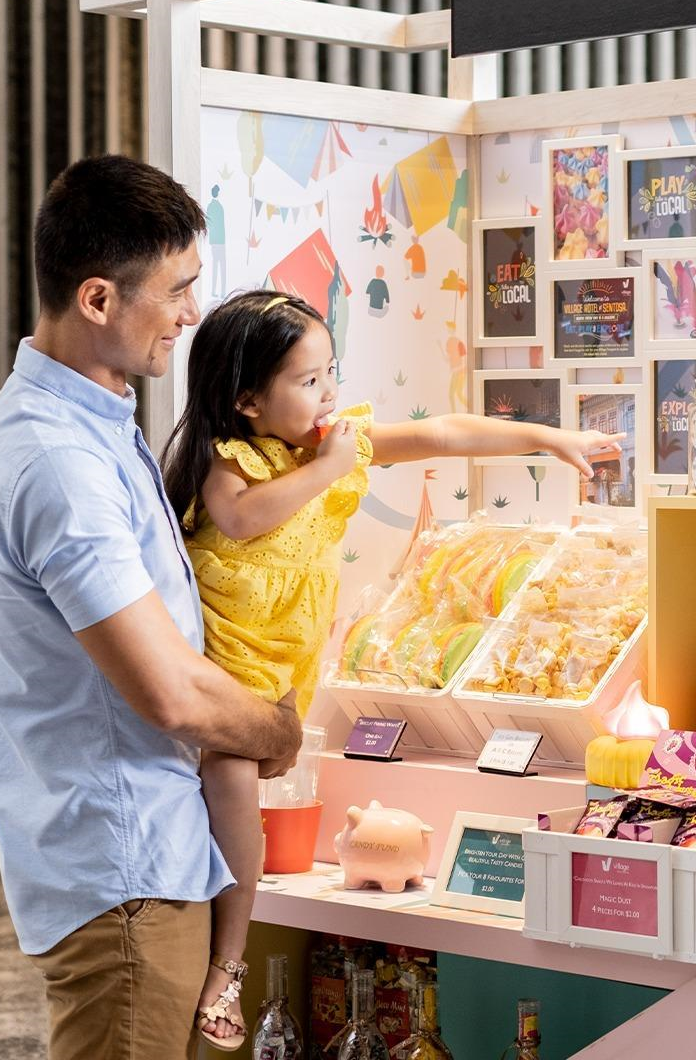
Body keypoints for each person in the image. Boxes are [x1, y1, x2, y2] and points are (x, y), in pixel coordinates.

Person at [161, 289, 623, 1049]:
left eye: (330, 372)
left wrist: (546, 436)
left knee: (253, 780)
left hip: (286, 662)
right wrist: (332, 464)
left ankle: (234, 934)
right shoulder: (230, 460)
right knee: (233, 779)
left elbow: (443, 431)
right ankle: (230, 964)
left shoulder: (335, 441)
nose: (329, 393)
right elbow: (245, 518)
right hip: (225, 661)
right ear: (247, 401)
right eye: (308, 381)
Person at [0, 155, 303, 1060]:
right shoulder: (61, 463)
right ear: (97, 299)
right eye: (176, 290)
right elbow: (167, 691)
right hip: (124, 881)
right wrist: (274, 732)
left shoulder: (93, 423)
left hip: (143, 865)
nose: (191, 315)